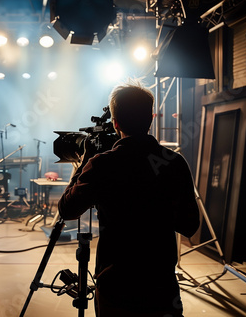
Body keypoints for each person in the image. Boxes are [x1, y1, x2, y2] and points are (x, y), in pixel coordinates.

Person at [58, 80, 200, 317]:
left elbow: (67, 210)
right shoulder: (175, 163)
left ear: (115, 123)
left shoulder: (102, 165)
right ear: (151, 118)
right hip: (161, 288)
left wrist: (84, 164)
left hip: (116, 288)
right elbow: (189, 226)